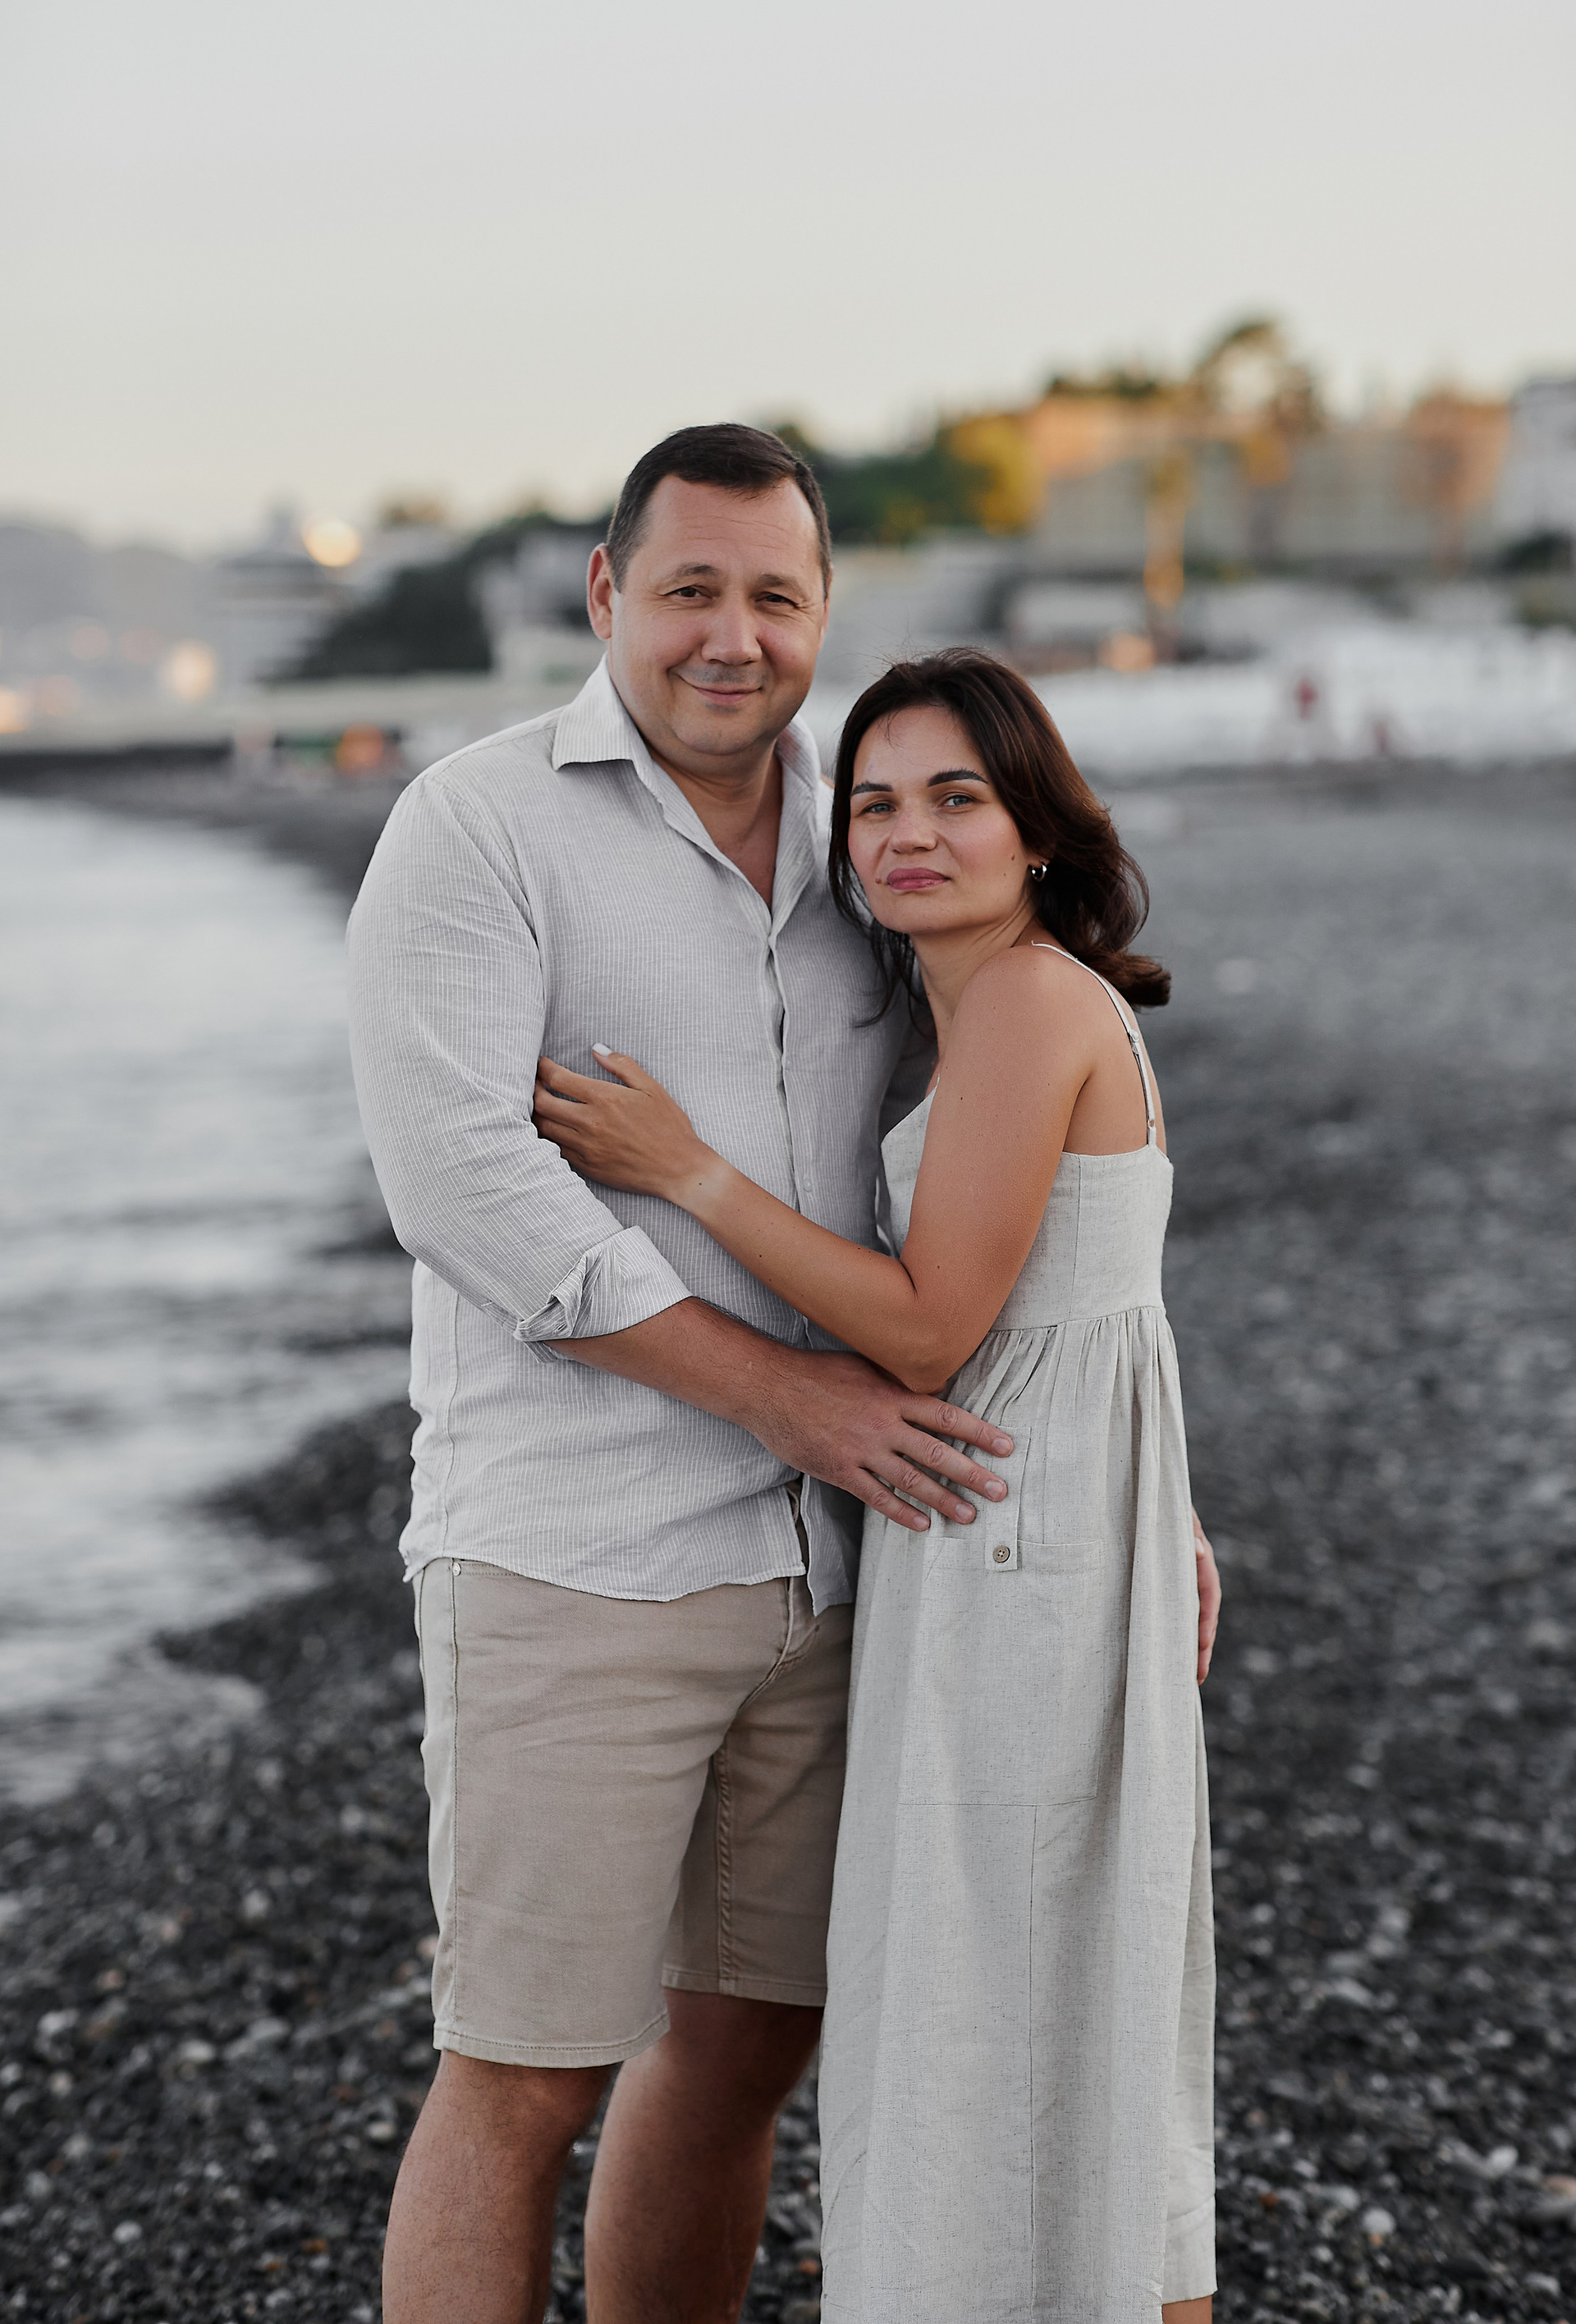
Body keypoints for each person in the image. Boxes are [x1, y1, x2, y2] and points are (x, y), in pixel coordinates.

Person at [345, 425, 1021, 2324]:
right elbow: (464, 1190)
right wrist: (789, 1399)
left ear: (824, 610)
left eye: (776, 596)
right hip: (577, 1561)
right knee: (523, 2077)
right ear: (607, 594)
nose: (735, 636)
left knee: (742, 2057)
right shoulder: (479, 827)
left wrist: (1139, 1476)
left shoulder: (870, 839)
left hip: (834, 1573)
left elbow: (980, 1176)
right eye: (693, 590)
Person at [535, 647, 1220, 2322]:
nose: (909, 835)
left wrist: (685, 1170)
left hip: (1009, 1549)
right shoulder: (988, 1008)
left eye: (956, 799)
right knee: (1063, 1990)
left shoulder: (1029, 1004)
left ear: (1037, 828)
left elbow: (927, 1330)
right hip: (1037, 1522)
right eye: (875, 804)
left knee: (1000, 1982)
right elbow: (1097, 1297)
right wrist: (1168, 1505)